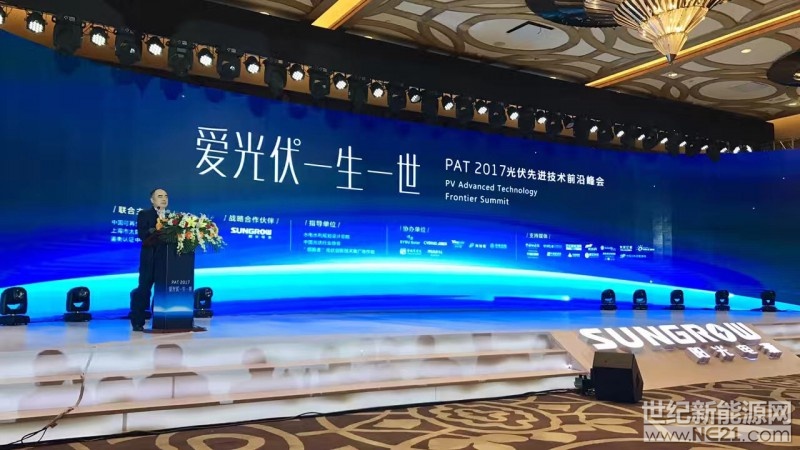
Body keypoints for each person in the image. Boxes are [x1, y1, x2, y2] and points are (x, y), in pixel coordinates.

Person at [130, 188, 169, 331]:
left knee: (162, 292)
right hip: (149, 260)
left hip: (166, 261)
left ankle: (160, 320)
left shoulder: (172, 218)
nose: (164, 199)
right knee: (144, 291)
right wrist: (156, 229)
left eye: (166, 196)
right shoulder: (144, 214)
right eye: (160, 196)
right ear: (152, 200)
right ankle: (137, 322)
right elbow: (143, 235)